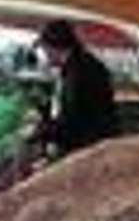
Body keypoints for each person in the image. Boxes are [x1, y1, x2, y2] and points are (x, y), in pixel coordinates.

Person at [31, 18, 118, 159]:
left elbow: (72, 122)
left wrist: (41, 132)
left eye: (44, 49)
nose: (45, 56)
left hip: (89, 149)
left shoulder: (77, 73)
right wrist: (44, 112)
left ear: (53, 47)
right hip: (95, 143)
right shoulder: (81, 64)